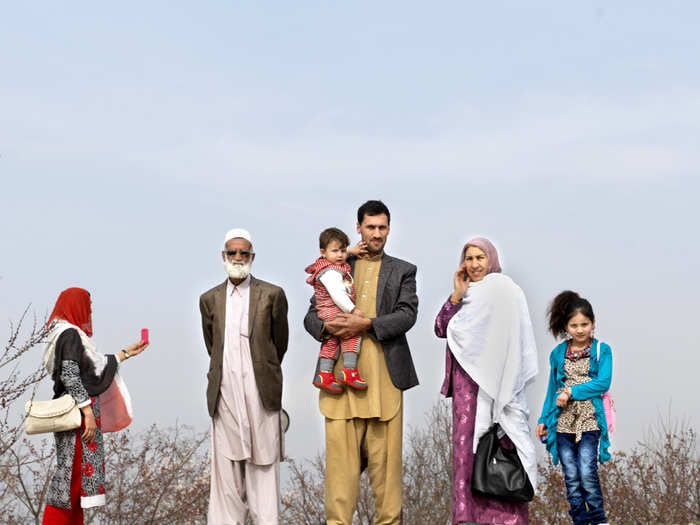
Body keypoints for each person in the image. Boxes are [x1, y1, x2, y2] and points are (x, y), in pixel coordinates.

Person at [304, 200, 418, 525]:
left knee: (388, 490)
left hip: (385, 386)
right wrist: (328, 327)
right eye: (370, 227)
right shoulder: (337, 265)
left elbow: (407, 314)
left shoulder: (403, 270)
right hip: (339, 388)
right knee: (340, 488)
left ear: (389, 229)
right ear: (358, 228)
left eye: (382, 227)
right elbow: (311, 316)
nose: (376, 233)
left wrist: (366, 324)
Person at [434, 237, 538, 525]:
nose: (475, 264)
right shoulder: (465, 295)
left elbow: (515, 340)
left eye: (480, 257)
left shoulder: (505, 290)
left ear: (490, 259)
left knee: (500, 449)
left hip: (496, 385)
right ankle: (466, 518)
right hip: (466, 389)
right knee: (467, 453)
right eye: (469, 258)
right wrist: (456, 294)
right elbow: (441, 328)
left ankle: (505, 520)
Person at [199, 228, 289, 525]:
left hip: (260, 392)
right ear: (223, 256)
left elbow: (280, 342)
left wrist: (261, 369)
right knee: (226, 472)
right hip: (225, 393)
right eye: (232, 252)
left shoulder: (272, 294)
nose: (238, 258)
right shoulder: (209, 299)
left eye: (244, 253)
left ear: (252, 257)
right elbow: (212, 344)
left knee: (263, 467)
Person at [41, 287, 148, 525]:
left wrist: (125, 353)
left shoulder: (65, 334)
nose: (89, 312)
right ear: (75, 306)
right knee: (68, 484)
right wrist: (87, 411)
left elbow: (91, 367)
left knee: (77, 485)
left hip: (75, 415)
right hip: (76, 416)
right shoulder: (69, 334)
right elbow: (70, 374)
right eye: (87, 307)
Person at [536, 291, 612, 525]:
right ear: (566, 326)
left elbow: (602, 383)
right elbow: (552, 389)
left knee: (587, 471)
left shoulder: (602, 350)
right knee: (571, 475)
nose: (580, 330)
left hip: (590, 418)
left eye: (584, 324)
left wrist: (571, 392)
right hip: (563, 422)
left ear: (593, 324)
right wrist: (543, 418)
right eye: (574, 325)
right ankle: (579, 520)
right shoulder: (558, 353)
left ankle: (599, 520)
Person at [305, 227, 367, 394]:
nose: (340, 255)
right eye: (335, 251)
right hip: (334, 311)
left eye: (343, 250)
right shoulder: (331, 272)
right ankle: (349, 371)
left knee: (331, 342)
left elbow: (341, 254)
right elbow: (338, 294)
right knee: (351, 335)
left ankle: (324, 374)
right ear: (323, 252)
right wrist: (353, 310)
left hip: (325, 312)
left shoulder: (325, 264)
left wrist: (351, 251)